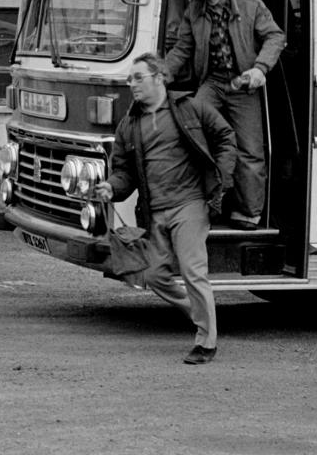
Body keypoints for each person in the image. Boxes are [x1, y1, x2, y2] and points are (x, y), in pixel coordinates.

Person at [95, 52, 237, 365]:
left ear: (159, 77)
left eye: (138, 78)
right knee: (153, 275)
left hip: (190, 204)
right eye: (130, 79)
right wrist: (112, 187)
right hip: (154, 211)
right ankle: (203, 314)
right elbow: (124, 171)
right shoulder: (129, 124)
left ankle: (206, 342)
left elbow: (225, 135)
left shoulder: (190, 107)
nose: (132, 84)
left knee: (192, 270)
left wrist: (222, 179)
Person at [165, 0, 285, 230]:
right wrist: (162, 74)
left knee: (250, 149)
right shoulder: (195, 10)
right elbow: (182, 49)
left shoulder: (251, 4)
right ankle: (199, 203)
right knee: (191, 133)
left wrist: (260, 69)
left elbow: (275, 36)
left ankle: (248, 212)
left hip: (243, 84)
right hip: (213, 82)